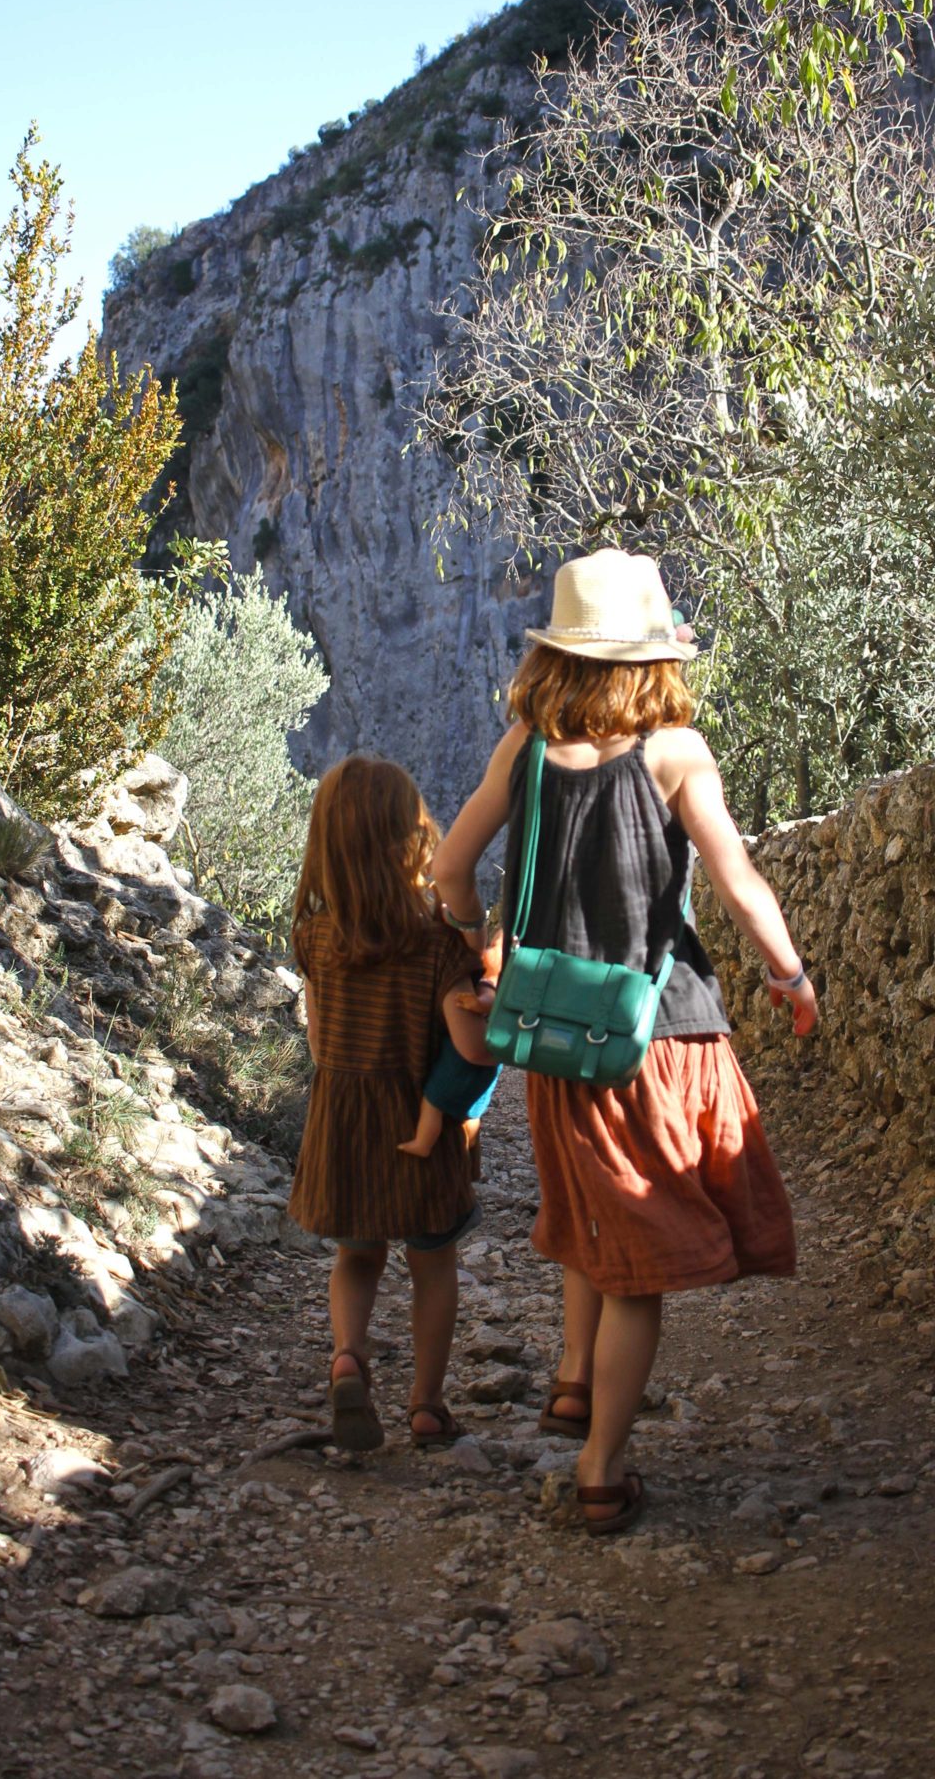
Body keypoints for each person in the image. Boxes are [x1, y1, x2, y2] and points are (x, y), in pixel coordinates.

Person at [431, 549, 817, 1535]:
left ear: (559, 655)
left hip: (555, 1034)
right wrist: (789, 974)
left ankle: (571, 1378)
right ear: (653, 656)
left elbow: (449, 869)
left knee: (590, 1209)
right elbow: (736, 880)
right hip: (659, 1034)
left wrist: (484, 947)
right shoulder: (675, 751)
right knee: (637, 1259)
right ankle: (602, 1467)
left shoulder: (520, 747)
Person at [286, 755, 495, 1451]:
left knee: (357, 1256)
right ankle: (427, 1404)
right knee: (432, 1264)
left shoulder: (314, 938)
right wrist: (489, 995)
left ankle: (348, 1357)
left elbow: (318, 1043)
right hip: (418, 1133)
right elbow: (472, 1047)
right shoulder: (434, 946)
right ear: (412, 844)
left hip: (343, 1128)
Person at [397, 939, 503, 1161]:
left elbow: (488, 1001)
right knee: (472, 1111)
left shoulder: (489, 982)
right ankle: (469, 1142)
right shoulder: (510, 988)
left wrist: (476, 1003)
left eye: (492, 945)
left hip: (461, 1059)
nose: (486, 948)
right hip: (489, 1060)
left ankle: (422, 1143)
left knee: (433, 1101)